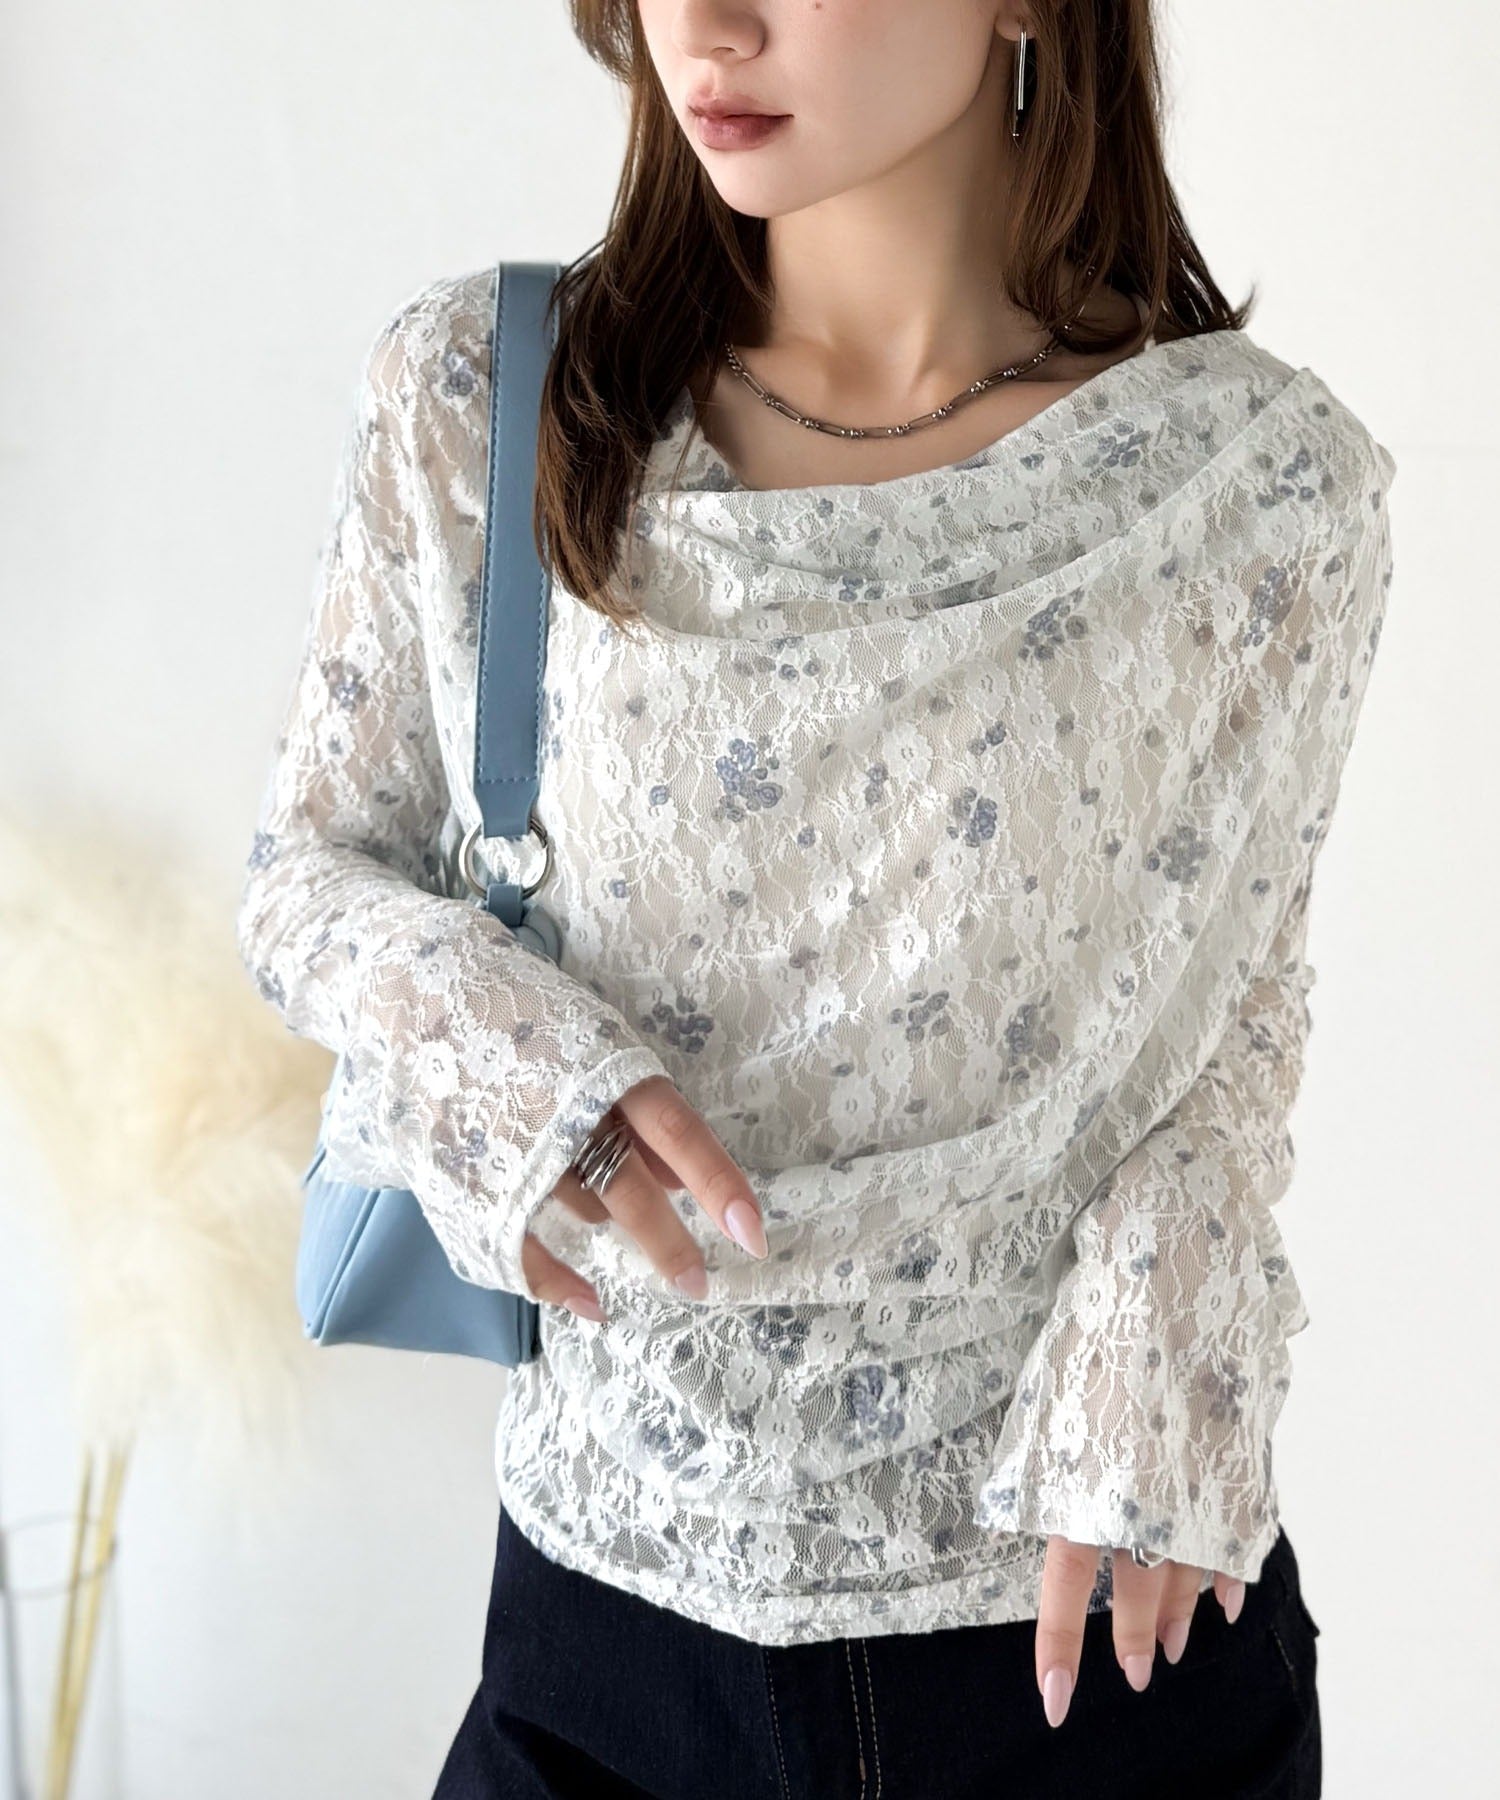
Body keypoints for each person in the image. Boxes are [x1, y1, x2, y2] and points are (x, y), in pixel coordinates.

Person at [236, 3, 1393, 1794]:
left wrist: (1177, 1294)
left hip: (1094, 1642)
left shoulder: (1260, 487)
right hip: (606, 1644)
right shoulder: (488, 396)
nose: (707, 26)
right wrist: (505, 1057)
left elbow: (1236, 1004)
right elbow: (311, 873)